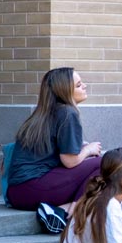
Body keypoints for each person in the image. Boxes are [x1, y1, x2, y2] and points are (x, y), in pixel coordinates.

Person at [7, 67, 103, 233]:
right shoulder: (67, 113)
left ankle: (59, 210)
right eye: (79, 85)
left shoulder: (42, 114)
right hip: (34, 189)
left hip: (16, 193)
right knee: (106, 162)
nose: (85, 86)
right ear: (65, 91)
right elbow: (70, 161)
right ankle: (69, 212)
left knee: (94, 165)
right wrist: (88, 150)